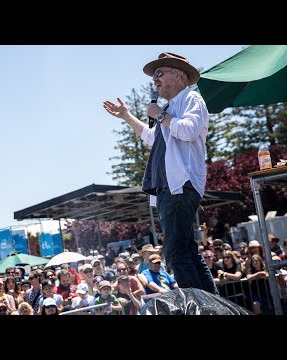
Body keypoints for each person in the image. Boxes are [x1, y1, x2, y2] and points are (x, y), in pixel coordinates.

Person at [103, 52, 218, 295]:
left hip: (180, 186)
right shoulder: (171, 107)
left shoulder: (191, 99)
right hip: (172, 188)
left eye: (159, 72)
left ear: (177, 75)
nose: (154, 79)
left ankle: (199, 308)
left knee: (175, 253)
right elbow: (151, 137)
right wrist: (127, 116)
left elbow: (188, 130)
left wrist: (160, 115)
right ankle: (212, 306)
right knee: (186, 251)